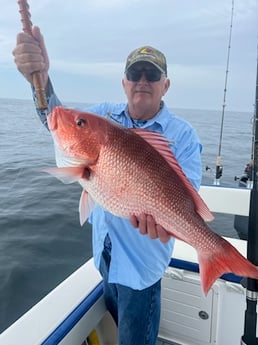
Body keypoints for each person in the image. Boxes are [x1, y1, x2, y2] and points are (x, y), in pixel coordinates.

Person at [13, 26, 202, 345]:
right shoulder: (103, 116)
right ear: (124, 82)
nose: (143, 80)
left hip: (141, 272)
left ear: (165, 85)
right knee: (114, 324)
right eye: (135, 72)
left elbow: (186, 201)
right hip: (105, 257)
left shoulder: (183, 136)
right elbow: (56, 118)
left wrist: (173, 225)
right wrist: (40, 79)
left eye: (152, 74)